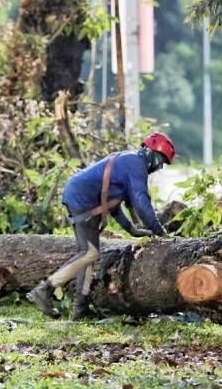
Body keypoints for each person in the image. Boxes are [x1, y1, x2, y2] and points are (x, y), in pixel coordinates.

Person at [27, 132, 175, 319]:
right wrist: (160, 232)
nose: (159, 166)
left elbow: (114, 204)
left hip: (81, 197)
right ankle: (45, 290)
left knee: (89, 254)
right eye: (160, 160)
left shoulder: (129, 160)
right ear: (151, 153)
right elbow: (141, 202)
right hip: (82, 199)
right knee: (89, 253)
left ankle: (80, 309)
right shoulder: (135, 165)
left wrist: (130, 229)